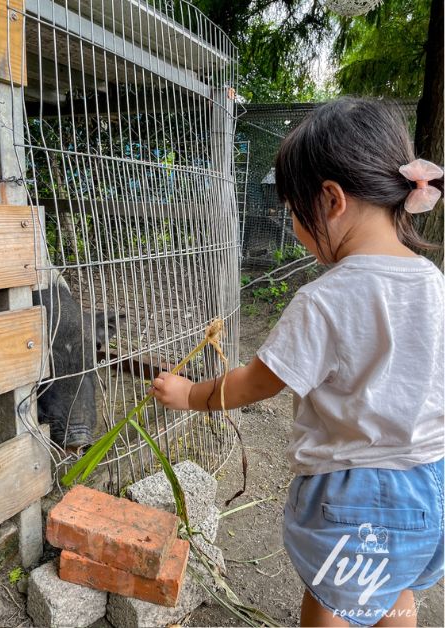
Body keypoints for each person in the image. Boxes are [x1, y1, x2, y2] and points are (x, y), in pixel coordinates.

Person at [150, 98, 443, 628]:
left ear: (331, 200)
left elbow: (260, 382)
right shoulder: (432, 282)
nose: (291, 224)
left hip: (356, 493)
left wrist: (190, 394)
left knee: (332, 599)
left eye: (292, 209)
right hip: (430, 482)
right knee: (391, 588)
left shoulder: (326, 299)